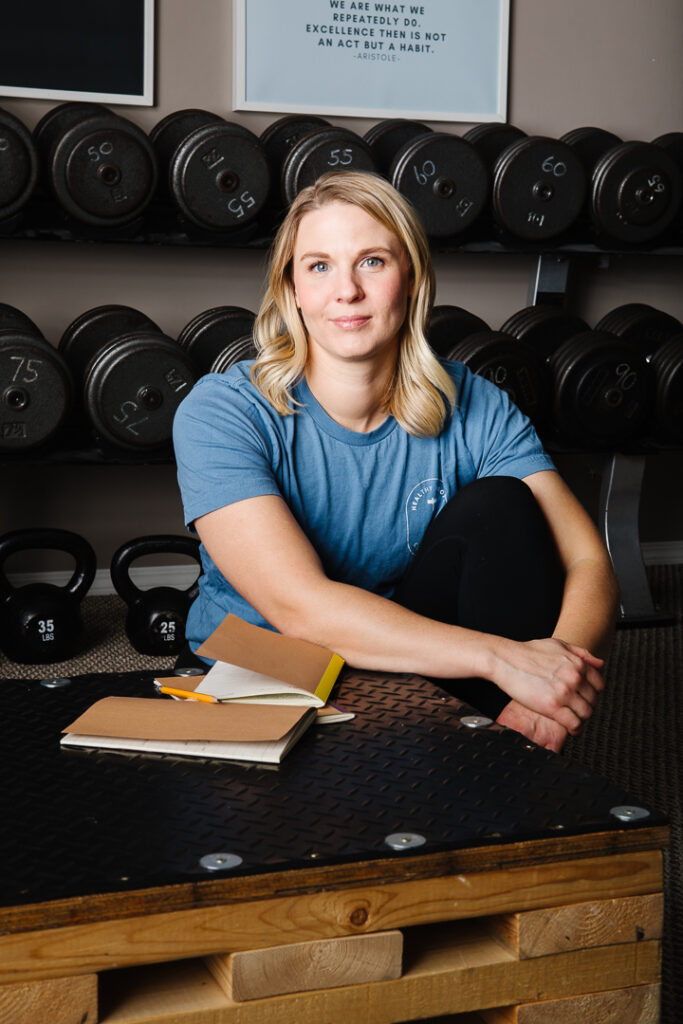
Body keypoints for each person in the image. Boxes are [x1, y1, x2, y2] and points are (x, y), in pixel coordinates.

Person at [173, 170, 619, 753]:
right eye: (319, 266)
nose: (347, 291)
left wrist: (554, 689)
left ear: (410, 277)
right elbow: (299, 608)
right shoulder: (223, 412)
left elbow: (588, 560)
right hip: (267, 668)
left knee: (503, 505)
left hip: (406, 656)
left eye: (373, 261)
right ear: (293, 290)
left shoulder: (477, 403)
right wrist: (504, 659)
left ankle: (504, 749)